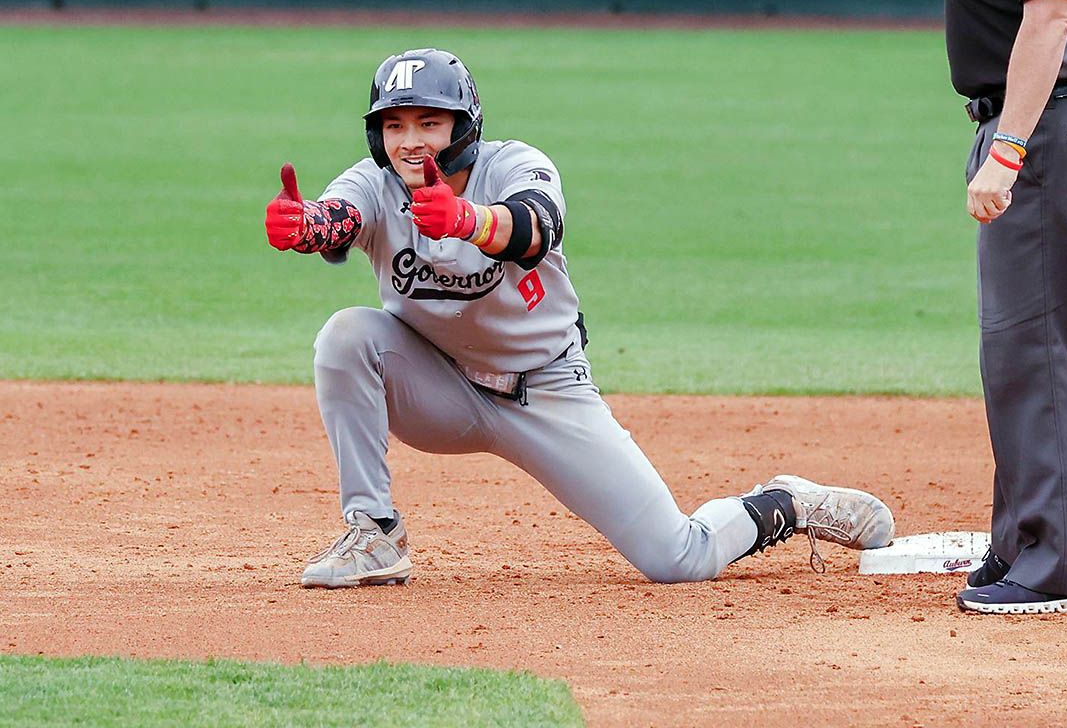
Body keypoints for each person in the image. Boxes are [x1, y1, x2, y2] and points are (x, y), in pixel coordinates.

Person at [264, 48, 895, 588]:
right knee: (348, 335)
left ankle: (785, 502)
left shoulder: (513, 165)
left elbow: (535, 225)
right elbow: (337, 219)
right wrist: (308, 225)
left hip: (546, 392)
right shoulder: (374, 183)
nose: (411, 140)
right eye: (394, 124)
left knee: (677, 558)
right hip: (441, 389)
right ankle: (374, 534)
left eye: (430, 121)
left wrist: (468, 221)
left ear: (464, 125)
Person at [944, 0, 1067, 614]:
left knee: (1039, 343)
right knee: (1019, 348)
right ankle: (1026, 539)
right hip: (1039, 119)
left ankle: (1062, 561)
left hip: (1049, 123)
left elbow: (1051, 14)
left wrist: (1010, 147)